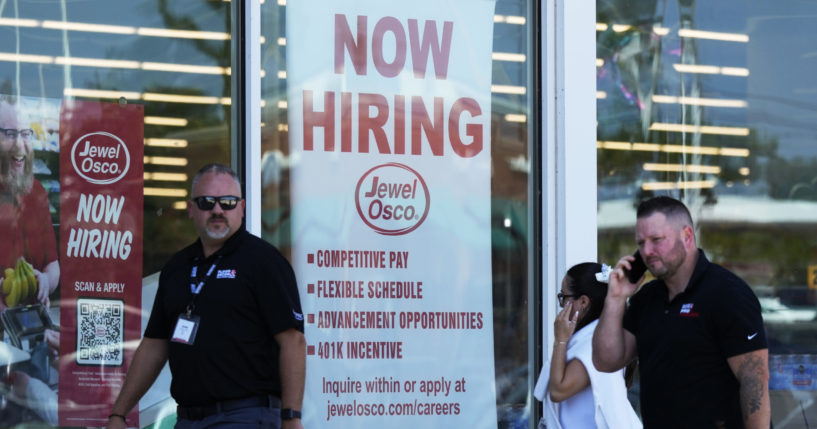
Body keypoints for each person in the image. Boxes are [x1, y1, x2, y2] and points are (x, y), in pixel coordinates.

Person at [106, 163, 306, 429]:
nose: (217, 210)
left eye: (228, 202)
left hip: (244, 416)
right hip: (187, 419)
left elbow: (293, 342)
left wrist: (291, 418)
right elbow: (154, 345)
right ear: (191, 209)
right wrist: (119, 413)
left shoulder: (263, 262)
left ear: (243, 208)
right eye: (206, 202)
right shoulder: (177, 268)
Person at [592, 195, 771, 428]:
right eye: (641, 242)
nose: (647, 251)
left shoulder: (727, 294)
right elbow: (606, 361)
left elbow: (754, 381)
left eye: (657, 239)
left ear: (687, 236)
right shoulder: (647, 299)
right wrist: (615, 298)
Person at [534, 262, 641, 429]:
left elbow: (559, 390)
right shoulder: (598, 335)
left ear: (583, 302)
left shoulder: (595, 342)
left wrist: (560, 340)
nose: (561, 305)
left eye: (563, 297)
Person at [0, 98, 60, 309]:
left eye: (26, 134)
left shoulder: (37, 192)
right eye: (10, 134)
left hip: (31, 326)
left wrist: (46, 281)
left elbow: (53, 265)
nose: (20, 144)